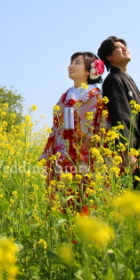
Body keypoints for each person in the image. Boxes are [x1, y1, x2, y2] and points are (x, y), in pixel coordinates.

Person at [97, 36, 140, 200]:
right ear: (109, 57)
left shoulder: (124, 78)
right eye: (119, 48)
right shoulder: (113, 80)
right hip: (136, 152)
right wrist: (127, 153)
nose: (125, 49)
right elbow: (122, 119)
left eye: (125, 46)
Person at [39, 52, 107, 213]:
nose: (71, 66)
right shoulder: (65, 95)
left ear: (89, 71)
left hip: (85, 156)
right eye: (71, 62)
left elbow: (103, 126)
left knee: (84, 199)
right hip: (62, 156)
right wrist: (48, 153)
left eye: (77, 63)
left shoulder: (97, 96)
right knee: (61, 200)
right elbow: (55, 129)